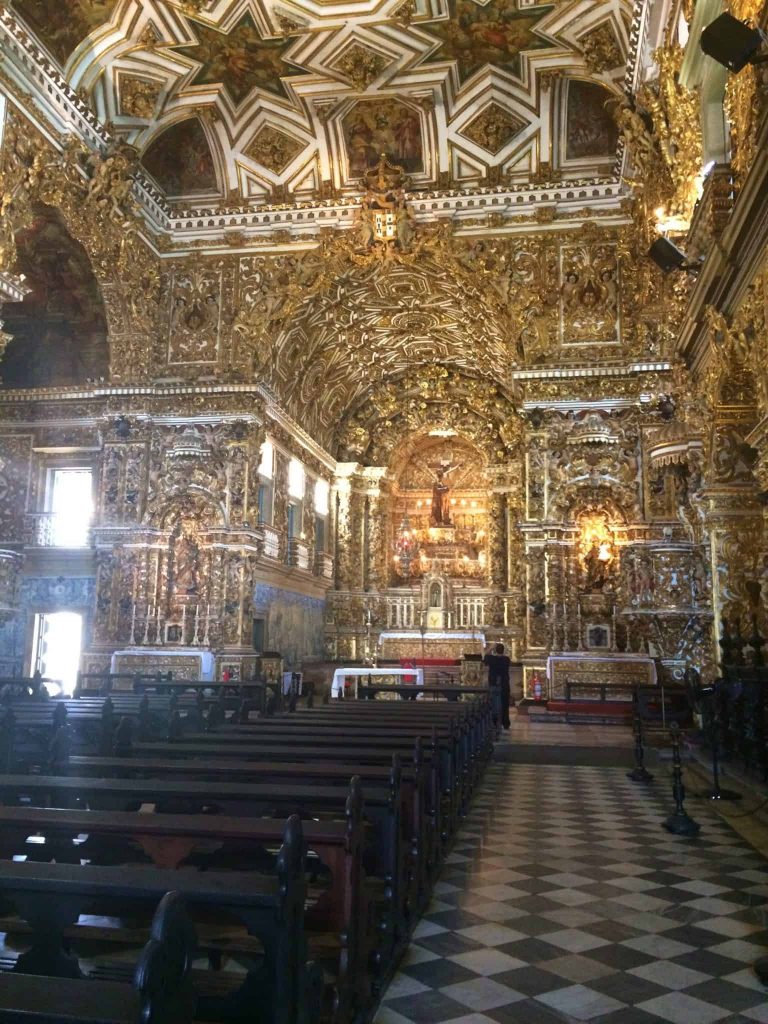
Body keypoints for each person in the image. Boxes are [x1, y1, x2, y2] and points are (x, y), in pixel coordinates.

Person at [483, 642, 512, 730]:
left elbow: (485, 656)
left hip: (494, 684)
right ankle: (505, 722)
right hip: (504, 684)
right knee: (504, 703)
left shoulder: (492, 659)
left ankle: (494, 721)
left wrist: (491, 648)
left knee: (494, 703)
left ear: (495, 651)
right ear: (503, 651)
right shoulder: (507, 659)